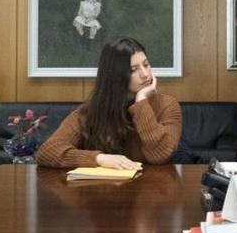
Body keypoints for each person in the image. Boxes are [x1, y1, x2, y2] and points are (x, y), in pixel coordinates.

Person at [36, 37, 182, 169]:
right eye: (133, 69)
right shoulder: (93, 110)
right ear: (115, 75)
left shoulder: (167, 105)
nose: (145, 74)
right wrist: (99, 158)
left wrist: (142, 102)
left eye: (146, 64)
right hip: (103, 192)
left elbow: (161, 155)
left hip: (152, 193)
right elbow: (47, 152)